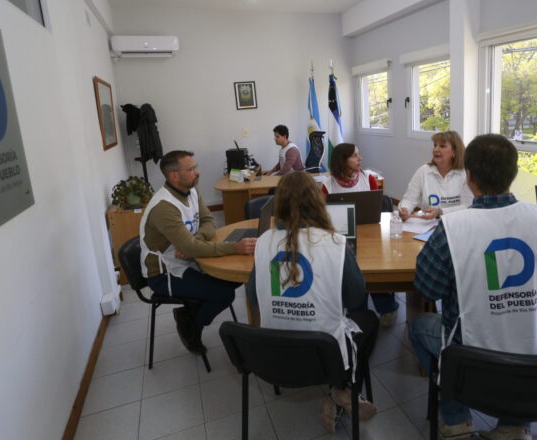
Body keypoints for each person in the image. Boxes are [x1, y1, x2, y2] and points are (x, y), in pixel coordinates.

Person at [408, 134, 537, 440]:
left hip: (471, 357)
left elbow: (427, 289)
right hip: (534, 350)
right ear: (514, 172)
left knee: (419, 327)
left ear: (468, 176)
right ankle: (515, 425)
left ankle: (456, 419)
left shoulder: (452, 227)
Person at [246, 171, 379, 432]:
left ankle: (339, 395)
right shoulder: (335, 243)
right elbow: (355, 299)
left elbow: (253, 295)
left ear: (278, 204)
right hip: (326, 356)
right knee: (369, 320)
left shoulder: (263, 242)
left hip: (273, 353)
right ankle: (343, 389)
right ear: (319, 202)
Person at [139, 150, 256, 352]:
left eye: (196, 167)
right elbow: (191, 247)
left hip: (189, 260)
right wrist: (234, 247)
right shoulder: (164, 207)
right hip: (164, 273)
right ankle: (191, 325)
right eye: (191, 169)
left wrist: (194, 242)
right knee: (224, 294)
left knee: (236, 278)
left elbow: (209, 221)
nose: (198, 172)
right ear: (174, 176)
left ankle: (191, 310)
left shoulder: (191, 190)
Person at [322, 143, 398, 325]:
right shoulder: (327, 186)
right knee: (352, 270)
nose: (360, 158)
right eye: (355, 155)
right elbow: (323, 217)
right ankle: (358, 309)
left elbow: (376, 208)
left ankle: (387, 306)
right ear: (343, 160)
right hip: (342, 238)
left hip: (371, 234)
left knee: (377, 266)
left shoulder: (368, 178)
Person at [398, 130, 473, 221]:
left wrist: (440, 212)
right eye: (435, 145)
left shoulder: (465, 174)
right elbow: (409, 199)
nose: (436, 149)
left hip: (456, 223)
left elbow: (467, 206)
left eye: (442, 146)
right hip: (428, 224)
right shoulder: (423, 171)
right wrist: (405, 209)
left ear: (454, 151)